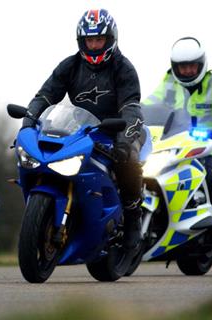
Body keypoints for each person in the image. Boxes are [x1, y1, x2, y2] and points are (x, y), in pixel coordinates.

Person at [21, 9, 144, 251]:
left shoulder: (124, 68)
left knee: (127, 160)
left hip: (118, 130)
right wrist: (29, 118)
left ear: (110, 39)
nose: (95, 45)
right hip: (81, 129)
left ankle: (133, 218)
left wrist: (124, 140)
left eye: (99, 40)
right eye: (90, 40)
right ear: (82, 41)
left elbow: (131, 107)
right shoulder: (69, 65)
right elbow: (45, 95)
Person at [142, 37, 212, 245]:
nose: (187, 71)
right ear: (175, 67)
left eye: (192, 66)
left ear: (201, 64)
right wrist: (136, 114)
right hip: (177, 143)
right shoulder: (170, 80)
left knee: (210, 177)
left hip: (210, 146)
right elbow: (153, 101)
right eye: (182, 67)